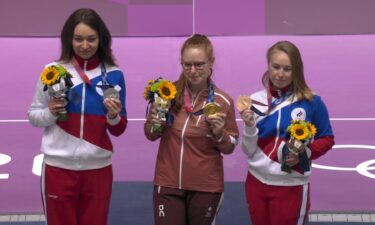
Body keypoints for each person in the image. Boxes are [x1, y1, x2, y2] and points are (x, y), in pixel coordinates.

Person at [28, 8, 127, 225]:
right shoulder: (52, 72)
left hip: (98, 170)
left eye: (91, 39)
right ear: (68, 39)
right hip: (58, 169)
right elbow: (34, 115)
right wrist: (51, 113)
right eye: (78, 39)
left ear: (101, 39)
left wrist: (112, 115)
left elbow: (119, 128)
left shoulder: (114, 74)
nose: (84, 46)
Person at [144, 34, 239, 225]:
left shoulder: (223, 101)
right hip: (167, 183)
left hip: (206, 187)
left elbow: (230, 147)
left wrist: (220, 134)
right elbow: (150, 134)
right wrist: (154, 123)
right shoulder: (166, 93)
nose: (193, 70)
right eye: (187, 65)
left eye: (199, 64)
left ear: (211, 62)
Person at [237, 41, 334, 225]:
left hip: (291, 188)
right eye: (276, 67)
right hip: (255, 184)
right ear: (268, 66)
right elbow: (249, 151)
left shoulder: (312, 101)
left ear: (296, 70)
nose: (280, 74)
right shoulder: (255, 101)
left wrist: (305, 154)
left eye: (287, 69)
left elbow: (327, 138)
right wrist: (249, 126)